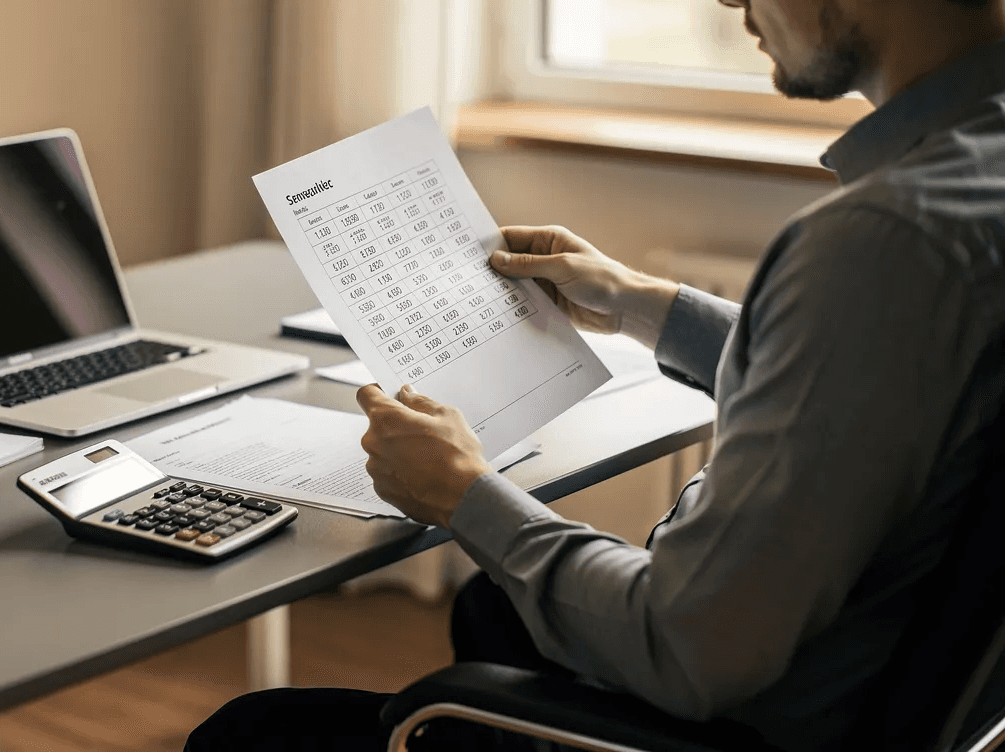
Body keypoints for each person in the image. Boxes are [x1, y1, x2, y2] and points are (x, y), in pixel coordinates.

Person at [186, 0, 1005, 749]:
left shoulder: (882, 243)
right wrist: (643, 303)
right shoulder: (964, 189)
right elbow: (865, 391)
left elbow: (688, 648)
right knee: (494, 608)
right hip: (880, 678)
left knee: (249, 735)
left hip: (730, 719)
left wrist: (463, 493)